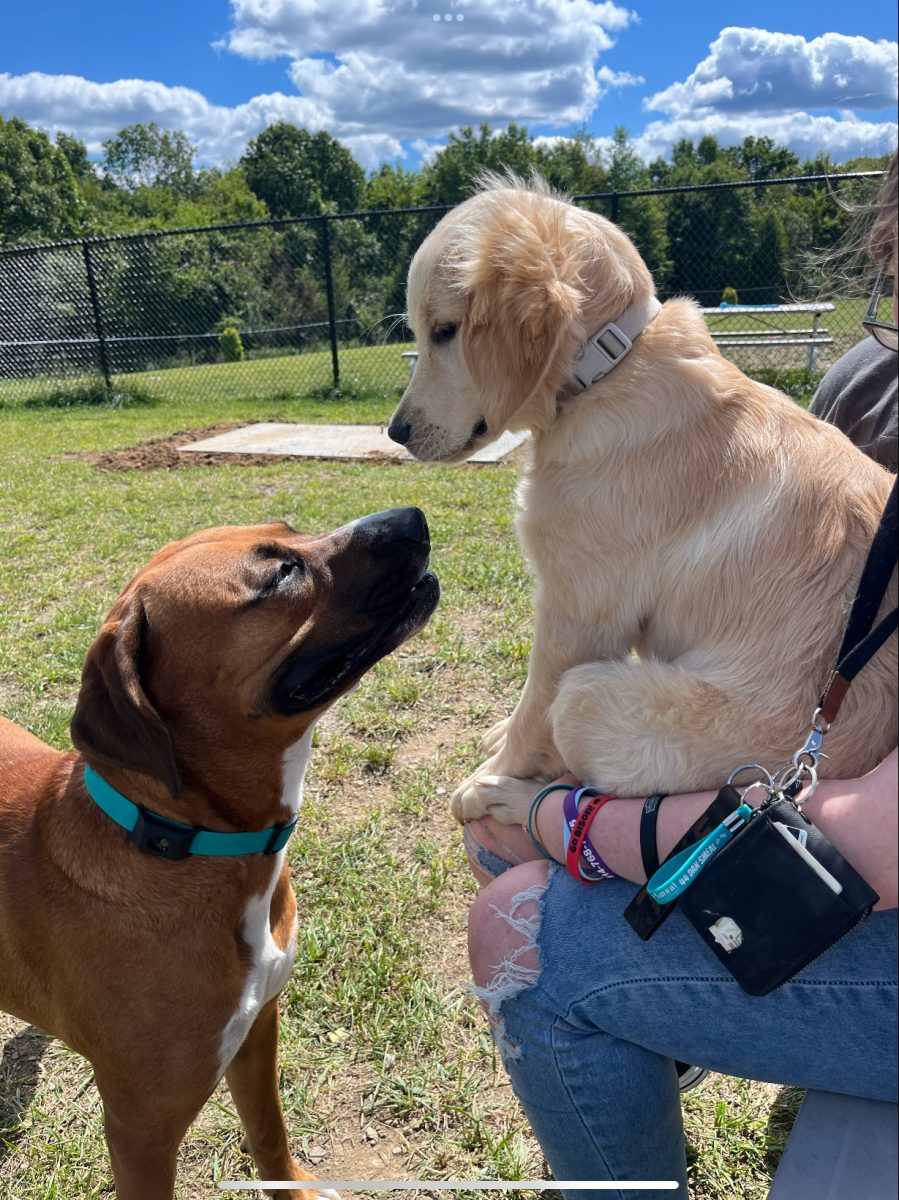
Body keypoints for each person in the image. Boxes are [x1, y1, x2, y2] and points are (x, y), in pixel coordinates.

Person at [463, 152, 898, 1200]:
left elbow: (881, 848)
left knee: (528, 939)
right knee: (526, 828)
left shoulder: (862, 377)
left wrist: (564, 824)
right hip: (834, 796)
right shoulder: (864, 383)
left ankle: (639, 1012)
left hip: (868, 855)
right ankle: (665, 1013)